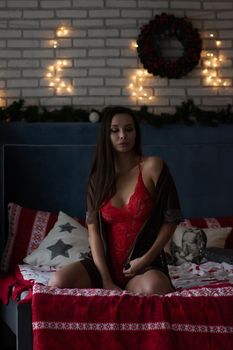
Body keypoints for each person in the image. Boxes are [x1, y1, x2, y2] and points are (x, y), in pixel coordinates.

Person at [48, 106, 182, 295]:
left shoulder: (153, 166)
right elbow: (93, 233)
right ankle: (117, 288)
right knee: (57, 281)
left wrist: (144, 260)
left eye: (128, 129)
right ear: (107, 135)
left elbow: (171, 220)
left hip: (144, 265)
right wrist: (106, 280)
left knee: (156, 287)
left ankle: (132, 287)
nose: (122, 136)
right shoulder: (98, 178)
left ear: (136, 133)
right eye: (115, 130)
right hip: (103, 265)